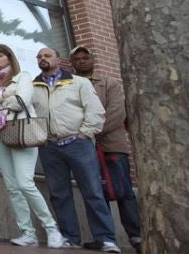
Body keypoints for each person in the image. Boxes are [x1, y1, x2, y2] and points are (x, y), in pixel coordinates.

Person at [0, 44, 65, 248]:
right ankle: (27, 232)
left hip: (21, 131)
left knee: (25, 183)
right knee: (13, 186)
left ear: (9, 57)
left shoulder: (22, 76)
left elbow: (22, 100)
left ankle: (51, 228)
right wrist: (3, 96)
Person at [32, 47, 120, 253]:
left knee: (93, 191)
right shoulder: (33, 86)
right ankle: (70, 237)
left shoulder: (78, 82)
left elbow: (95, 110)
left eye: (47, 55)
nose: (42, 59)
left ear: (58, 60)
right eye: (39, 56)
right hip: (50, 146)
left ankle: (106, 239)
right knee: (59, 194)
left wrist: (85, 133)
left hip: (78, 143)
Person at [70, 46, 141, 253]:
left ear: (93, 59)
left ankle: (136, 237)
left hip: (111, 146)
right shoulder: (70, 84)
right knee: (94, 192)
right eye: (77, 59)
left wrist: (91, 131)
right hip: (83, 147)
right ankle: (104, 237)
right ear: (72, 63)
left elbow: (117, 113)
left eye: (86, 57)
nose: (82, 61)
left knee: (124, 192)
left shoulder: (109, 83)